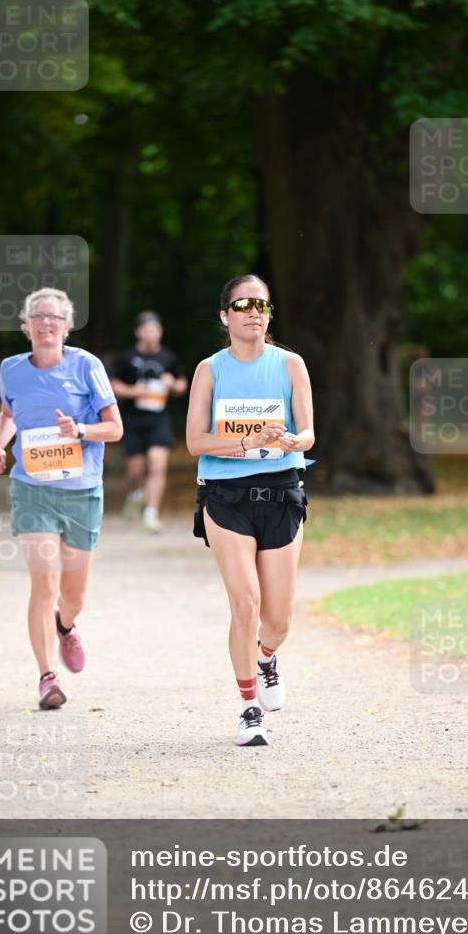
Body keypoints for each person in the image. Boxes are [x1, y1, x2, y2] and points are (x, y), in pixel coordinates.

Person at [186, 275, 314, 747]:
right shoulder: (209, 369)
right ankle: (249, 709)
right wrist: (247, 442)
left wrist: (293, 441)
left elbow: (308, 434)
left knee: (278, 620)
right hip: (226, 496)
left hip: (281, 491)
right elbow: (195, 441)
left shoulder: (291, 364)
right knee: (246, 604)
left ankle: (266, 658)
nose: (254, 311)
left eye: (261, 304)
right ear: (225, 315)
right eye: (243, 304)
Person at [0, 288, 123, 710]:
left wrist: (79, 431)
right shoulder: (11, 369)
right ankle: (47, 677)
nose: (46, 323)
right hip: (32, 488)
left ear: (66, 327)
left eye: (54, 317)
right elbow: (9, 414)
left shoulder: (86, 366)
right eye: (38, 317)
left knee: (73, 595)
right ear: (26, 326)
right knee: (43, 583)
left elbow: (114, 428)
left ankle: (65, 626)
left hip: (81, 490)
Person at [111, 311, 188, 532]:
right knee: (135, 468)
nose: (150, 334)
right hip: (133, 419)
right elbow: (112, 383)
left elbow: (183, 385)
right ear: (138, 331)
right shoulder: (127, 357)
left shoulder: (168, 358)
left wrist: (172, 384)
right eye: (146, 329)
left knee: (157, 463)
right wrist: (132, 391)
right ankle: (135, 493)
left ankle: (151, 512)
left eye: (154, 329)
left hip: (158, 419)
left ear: (160, 332)